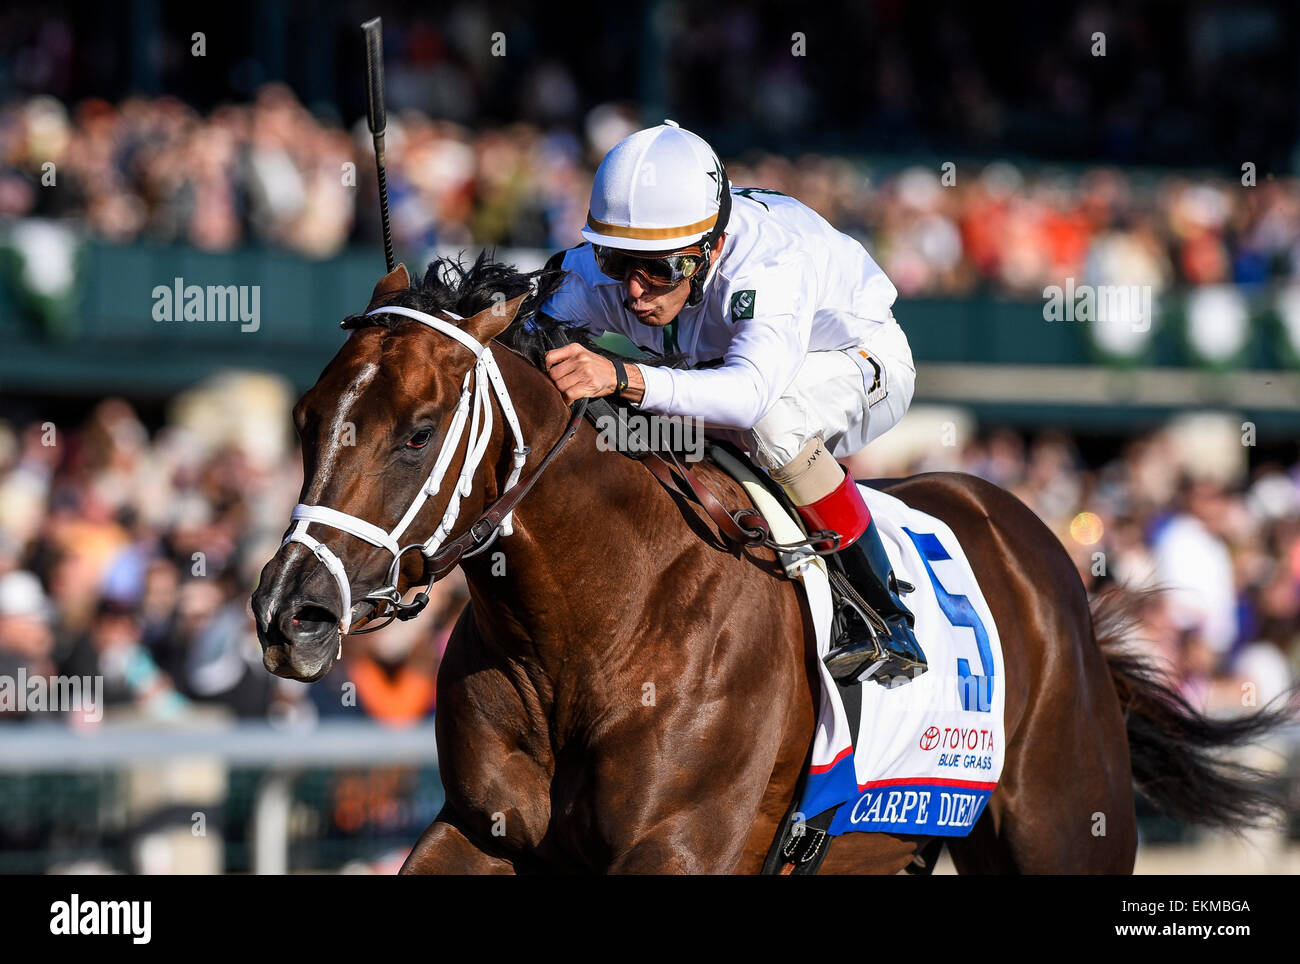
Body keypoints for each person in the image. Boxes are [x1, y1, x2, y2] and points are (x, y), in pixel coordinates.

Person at [540, 121, 923, 683]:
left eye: (659, 268)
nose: (634, 290)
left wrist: (622, 375)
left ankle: (881, 612)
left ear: (712, 248)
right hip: (719, 372)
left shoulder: (768, 265)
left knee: (772, 421)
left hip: (858, 362)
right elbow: (517, 322)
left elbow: (746, 398)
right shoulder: (616, 268)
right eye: (616, 262)